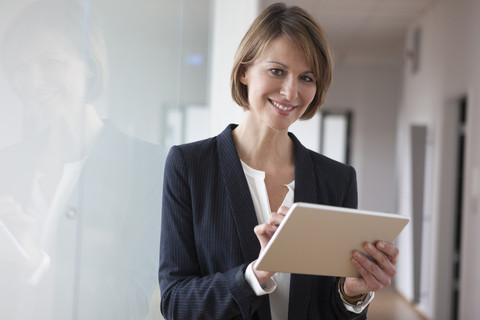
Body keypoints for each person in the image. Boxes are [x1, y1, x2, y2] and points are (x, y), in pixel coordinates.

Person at [159, 3, 398, 320]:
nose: (290, 92)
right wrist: (256, 273)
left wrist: (352, 293)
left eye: (307, 77)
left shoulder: (337, 180)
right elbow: (175, 302)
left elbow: (335, 310)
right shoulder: (189, 166)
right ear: (244, 70)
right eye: (277, 71)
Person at [0, 1, 164, 319]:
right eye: (21, 68)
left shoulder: (146, 165)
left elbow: (131, 302)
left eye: (50, 62)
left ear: (89, 63)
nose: (32, 82)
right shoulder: (8, 161)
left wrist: (38, 265)